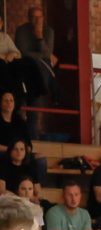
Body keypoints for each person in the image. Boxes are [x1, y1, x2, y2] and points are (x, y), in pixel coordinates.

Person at [14, 5, 56, 140]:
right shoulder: (21, 30)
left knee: (34, 112)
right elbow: (23, 52)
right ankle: (18, 138)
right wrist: (40, 56)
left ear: (43, 18)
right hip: (23, 73)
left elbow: (47, 53)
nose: (36, 20)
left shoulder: (48, 31)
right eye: (33, 17)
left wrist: (39, 37)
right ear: (28, 18)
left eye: (39, 17)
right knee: (18, 108)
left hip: (38, 76)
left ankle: (33, 140)